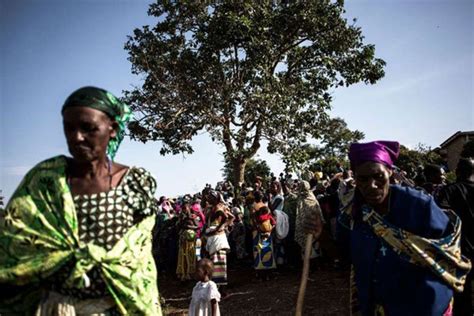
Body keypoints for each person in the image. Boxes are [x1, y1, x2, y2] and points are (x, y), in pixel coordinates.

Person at [0, 87, 161, 314]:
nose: (76, 137)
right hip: (59, 308)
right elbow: (15, 245)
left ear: (112, 129)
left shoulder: (135, 182)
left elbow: (138, 255)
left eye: (88, 128)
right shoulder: (46, 180)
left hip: (116, 306)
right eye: (69, 128)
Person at [305, 140, 470, 316]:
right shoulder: (352, 212)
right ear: (355, 178)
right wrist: (322, 235)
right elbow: (345, 256)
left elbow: (449, 258)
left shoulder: (419, 206)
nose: (372, 185)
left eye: (378, 176)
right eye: (363, 179)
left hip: (425, 306)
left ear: (390, 172)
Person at [437, 157, 474, 316]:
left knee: (461, 295)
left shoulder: (449, 190)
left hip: (458, 250)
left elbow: (439, 216)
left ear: (458, 172)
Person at [204, 190, 233, 293]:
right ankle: (219, 288)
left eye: (210, 197)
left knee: (219, 263)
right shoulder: (214, 208)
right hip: (214, 239)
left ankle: (222, 290)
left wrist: (219, 228)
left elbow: (227, 217)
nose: (208, 199)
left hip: (217, 239)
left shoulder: (218, 208)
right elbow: (230, 217)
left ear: (215, 198)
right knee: (216, 263)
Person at [176, 200, 200, 281]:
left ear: (189, 208)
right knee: (183, 256)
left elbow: (198, 226)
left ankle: (191, 274)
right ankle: (184, 274)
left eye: (185, 208)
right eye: (183, 209)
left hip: (191, 240)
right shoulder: (181, 217)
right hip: (184, 240)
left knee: (192, 255)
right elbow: (179, 226)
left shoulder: (193, 216)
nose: (184, 210)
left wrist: (188, 226)